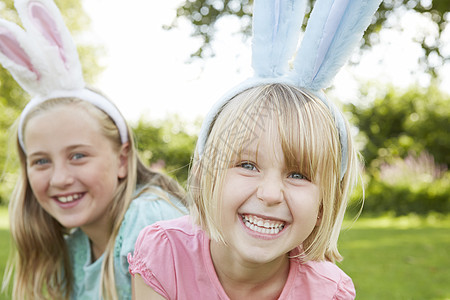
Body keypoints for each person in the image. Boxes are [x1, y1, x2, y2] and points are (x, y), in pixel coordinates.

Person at [128, 0, 382, 299]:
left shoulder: (328, 292)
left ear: (324, 204)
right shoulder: (165, 253)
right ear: (204, 175)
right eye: (247, 166)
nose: (270, 194)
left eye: (298, 174)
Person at [0, 0, 186, 299]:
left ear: (122, 159)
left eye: (78, 156)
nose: (59, 178)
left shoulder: (149, 222)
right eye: (41, 161)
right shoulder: (75, 245)